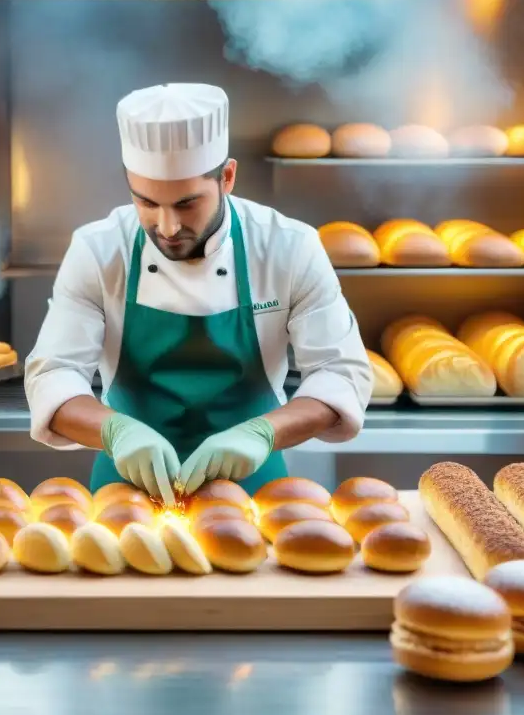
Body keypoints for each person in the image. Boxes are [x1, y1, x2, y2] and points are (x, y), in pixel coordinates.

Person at [24, 83, 372, 507]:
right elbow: (53, 374)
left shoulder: (288, 247)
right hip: (125, 496)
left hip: (254, 492)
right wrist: (116, 431)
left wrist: (262, 433)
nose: (167, 227)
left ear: (227, 177)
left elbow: (341, 374)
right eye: (146, 203)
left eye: (187, 204)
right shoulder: (98, 249)